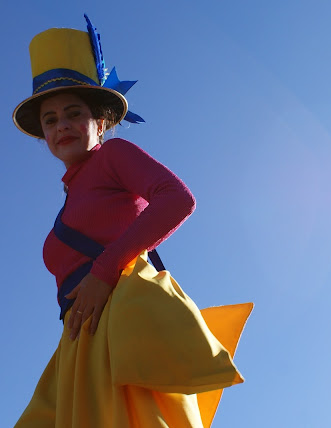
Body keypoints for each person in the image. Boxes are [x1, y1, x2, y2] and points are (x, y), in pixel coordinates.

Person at [12, 15, 252, 428]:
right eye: (50, 120)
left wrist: (104, 270)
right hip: (81, 339)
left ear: (100, 122)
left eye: (73, 113)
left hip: (123, 326)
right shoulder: (69, 200)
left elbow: (177, 199)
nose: (61, 125)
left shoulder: (112, 155)